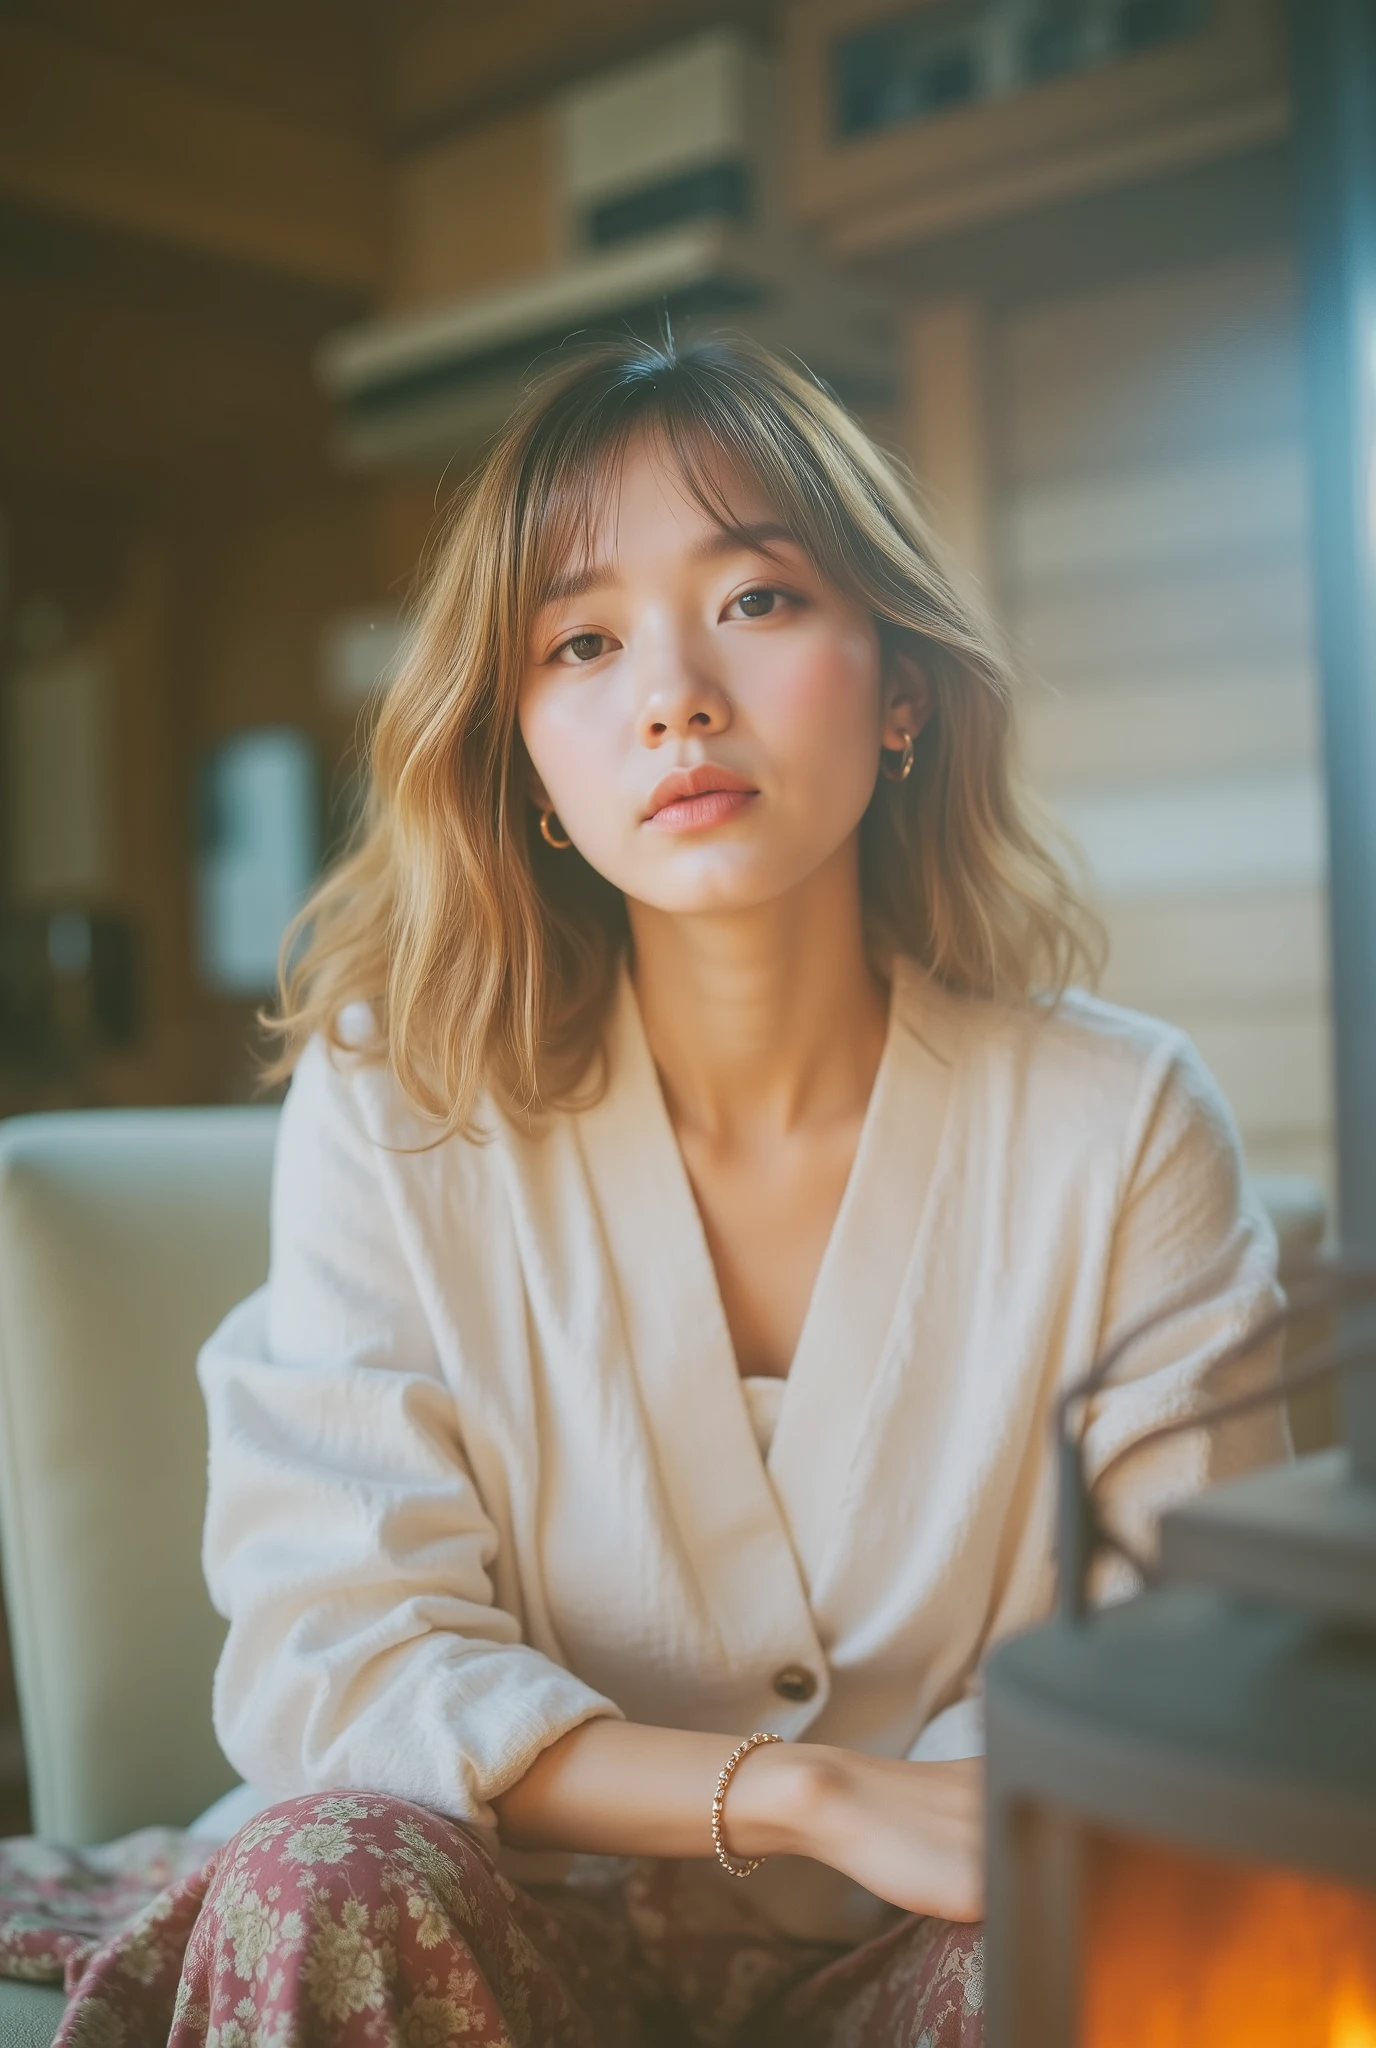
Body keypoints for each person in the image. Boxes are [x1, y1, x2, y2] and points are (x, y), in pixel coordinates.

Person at [58, 336, 1283, 2048]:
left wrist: (944, 1824)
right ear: (530, 766)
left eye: (759, 601)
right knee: (319, 1869)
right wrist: (803, 1796)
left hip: (941, 1946)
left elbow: (1193, 1652)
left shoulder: (1122, 1120)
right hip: (506, 1931)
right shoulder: (397, 1106)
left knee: (1137, 1906)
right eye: (581, 640)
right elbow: (338, 1651)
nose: (674, 693)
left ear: (904, 684)